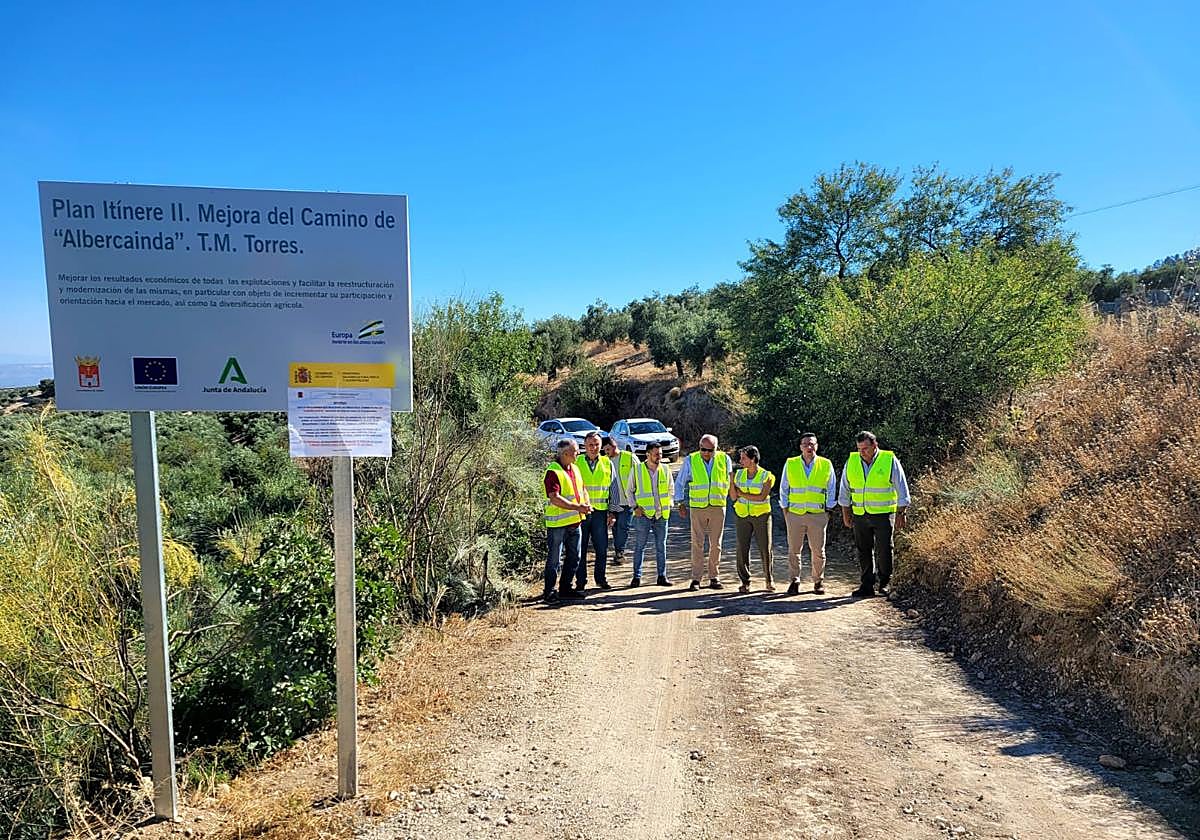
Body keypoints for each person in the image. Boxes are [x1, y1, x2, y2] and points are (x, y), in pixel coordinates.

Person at [839, 431, 910, 598]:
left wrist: (902, 511)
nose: (862, 452)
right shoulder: (852, 461)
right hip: (860, 513)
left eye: (865, 448)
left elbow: (901, 486)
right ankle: (866, 585)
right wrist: (845, 511)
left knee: (884, 548)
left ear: (874, 445)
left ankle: (885, 582)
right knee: (863, 550)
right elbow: (845, 488)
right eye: (859, 449)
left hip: (883, 514)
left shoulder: (888, 460)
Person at [780, 432, 838, 595]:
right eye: (805, 444)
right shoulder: (791, 463)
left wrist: (828, 508)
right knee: (794, 550)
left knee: (818, 550)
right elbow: (784, 487)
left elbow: (831, 487)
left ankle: (818, 581)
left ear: (817, 446)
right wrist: (785, 509)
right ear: (800, 447)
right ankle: (794, 580)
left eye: (812, 444)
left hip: (817, 514)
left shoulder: (826, 464)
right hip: (795, 514)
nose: (809, 447)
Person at [674, 433, 732, 591]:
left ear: (716, 448)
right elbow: (680, 482)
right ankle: (696, 578)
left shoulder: (724, 459)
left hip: (718, 507)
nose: (705, 452)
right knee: (697, 544)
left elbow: (730, 480)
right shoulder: (691, 459)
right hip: (698, 507)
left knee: (716, 545)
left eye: (709, 449)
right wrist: (680, 502)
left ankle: (714, 576)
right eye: (702, 449)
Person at [542, 439, 592, 602]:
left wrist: (586, 503)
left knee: (574, 557)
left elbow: (582, 489)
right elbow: (554, 498)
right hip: (558, 524)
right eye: (575, 450)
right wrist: (578, 507)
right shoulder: (553, 472)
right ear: (565, 453)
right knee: (554, 559)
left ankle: (565, 588)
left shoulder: (576, 468)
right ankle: (549, 591)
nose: (578, 453)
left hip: (574, 522)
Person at [730, 445, 774, 594]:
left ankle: (769, 579)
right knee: (742, 549)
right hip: (742, 515)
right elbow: (733, 496)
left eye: (744, 458)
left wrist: (742, 494)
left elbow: (762, 497)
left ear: (753, 459)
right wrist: (731, 481)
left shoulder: (767, 476)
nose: (740, 461)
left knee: (765, 548)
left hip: (762, 516)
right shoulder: (738, 475)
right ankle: (745, 581)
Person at [574, 431, 615, 591]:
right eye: (590, 444)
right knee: (580, 548)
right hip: (581, 512)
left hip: (600, 512)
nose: (593, 447)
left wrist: (612, 512)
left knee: (601, 547)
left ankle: (601, 579)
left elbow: (613, 489)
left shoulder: (607, 463)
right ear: (585, 446)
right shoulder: (576, 463)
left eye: (597, 444)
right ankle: (580, 582)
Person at [628, 441, 672, 587]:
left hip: (661, 515)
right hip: (643, 515)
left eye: (660, 453)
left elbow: (670, 489)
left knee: (661, 546)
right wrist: (634, 507)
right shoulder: (637, 469)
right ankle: (636, 577)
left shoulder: (665, 469)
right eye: (656, 454)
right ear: (648, 454)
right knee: (640, 546)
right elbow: (629, 490)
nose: (659, 456)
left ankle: (662, 576)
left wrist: (669, 504)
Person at [605, 437, 636, 565]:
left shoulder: (629, 457)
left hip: (627, 501)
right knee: (616, 528)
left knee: (623, 527)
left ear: (614, 446)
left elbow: (639, 475)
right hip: (612, 502)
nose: (606, 452)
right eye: (604, 450)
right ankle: (619, 551)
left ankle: (620, 552)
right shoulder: (605, 461)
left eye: (608, 449)